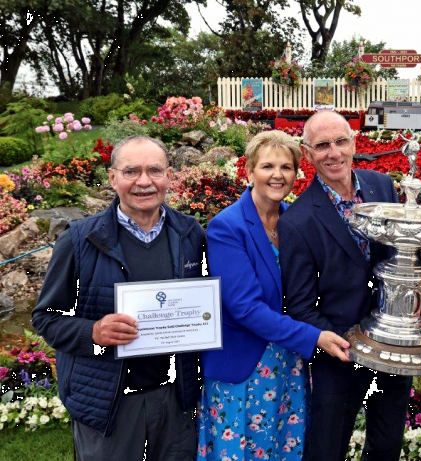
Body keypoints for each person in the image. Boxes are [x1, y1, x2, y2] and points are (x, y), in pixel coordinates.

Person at [32, 135, 206, 461]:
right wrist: (93, 332)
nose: (144, 182)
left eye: (154, 170)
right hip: (109, 406)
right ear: (113, 178)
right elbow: (46, 318)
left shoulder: (190, 233)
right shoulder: (80, 240)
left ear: (169, 176)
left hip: (173, 401)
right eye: (131, 172)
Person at [278, 111, 421, 461]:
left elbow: (402, 254)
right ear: (307, 154)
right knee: (327, 450)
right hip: (340, 355)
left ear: (353, 143)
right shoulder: (298, 221)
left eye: (340, 141)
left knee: (385, 446)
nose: (333, 152)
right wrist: (333, 341)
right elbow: (300, 305)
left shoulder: (381, 186)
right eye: (322, 145)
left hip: (395, 345)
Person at [196, 130, 351, 460]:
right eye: (267, 166)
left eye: (287, 167)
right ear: (249, 171)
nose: (278, 175)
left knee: (283, 448)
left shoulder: (294, 220)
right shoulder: (228, 227)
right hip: (245, 368)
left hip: (287, 364)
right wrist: (315, 337)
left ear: (297, 173)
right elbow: (245, 308)